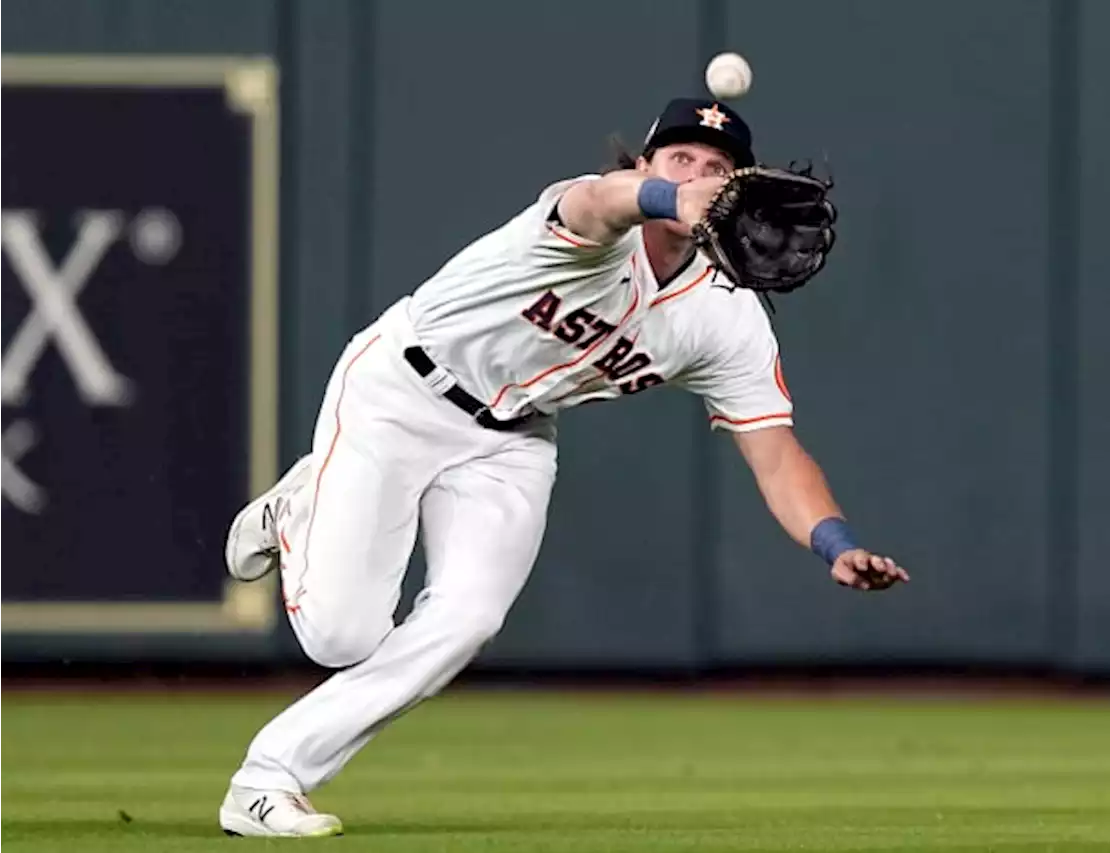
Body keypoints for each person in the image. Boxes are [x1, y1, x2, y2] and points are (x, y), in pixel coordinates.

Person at [216, 96, 910, 838]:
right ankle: (299, 509)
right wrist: (670, 196)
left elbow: (776, 455)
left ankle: (270, 777)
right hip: (402, 390)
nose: (698, 175)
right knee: (340, 637)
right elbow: (599, 202)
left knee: (468, 616)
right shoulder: (590, 220)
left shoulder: (725, 316)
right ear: (643, 165)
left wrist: (835, 544)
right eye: (679, 158)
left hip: (511, 440)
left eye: (717, 168)